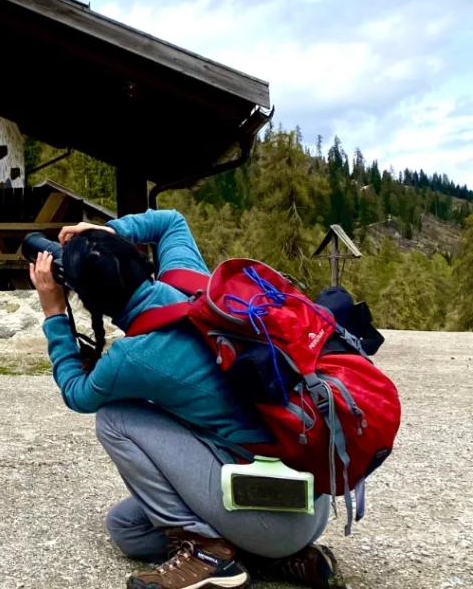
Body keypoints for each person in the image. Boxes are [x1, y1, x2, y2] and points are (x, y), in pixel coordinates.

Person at [28, 209, 345, 589]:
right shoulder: (190, 279)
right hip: (310, 497)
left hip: (268, 513)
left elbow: (78, 394)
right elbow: (172, 222)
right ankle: (281, 559)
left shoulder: (132, 356)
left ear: (92, 301)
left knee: (114, 418)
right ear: (139, 260)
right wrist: (107, 231)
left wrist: (54, 312)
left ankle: (208, 553)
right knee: (126, 528)